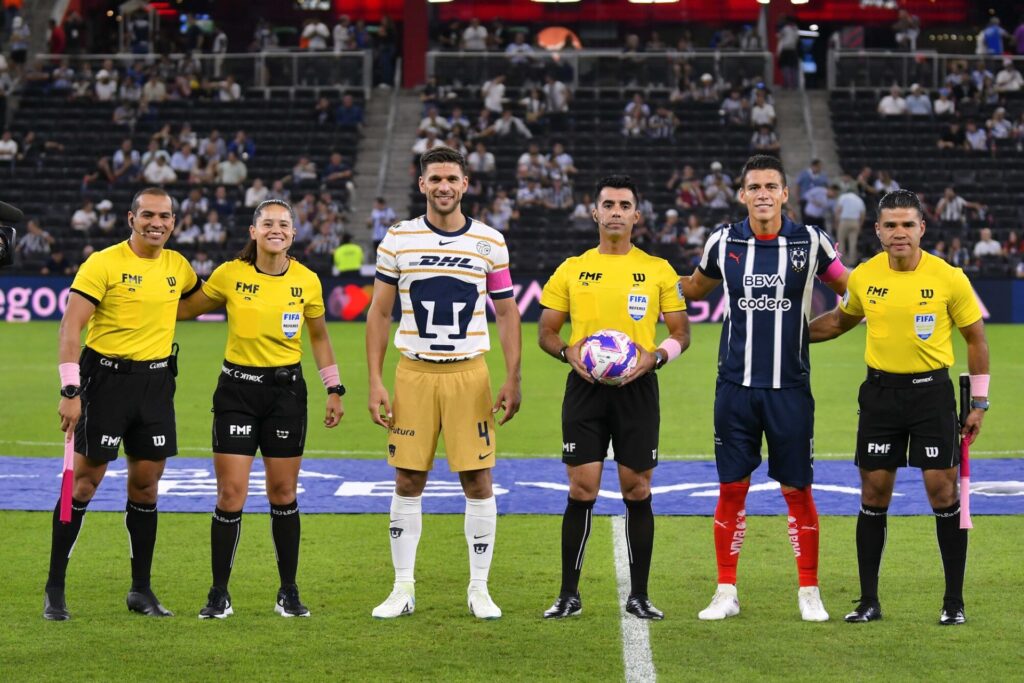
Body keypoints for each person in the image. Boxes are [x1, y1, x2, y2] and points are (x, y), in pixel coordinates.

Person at [679, 155, 848, 623]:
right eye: (754, 187)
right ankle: (725, 590)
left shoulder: (812, 241)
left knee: (798, 489)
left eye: (771, 186)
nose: (763, 195)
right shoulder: (723, 241)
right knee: (732, 487)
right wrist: (645, 284)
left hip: (789, 388)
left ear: (785, 194)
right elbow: (694, 289)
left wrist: (824, 328)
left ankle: (809, 590)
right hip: (735, 387)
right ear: (741, 194)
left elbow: (850, 292)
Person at [809, 189, 989, 626]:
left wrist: (979, 403)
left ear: (922, 228)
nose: (899, 233)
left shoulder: (949, 277)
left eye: (908, 224)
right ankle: (868, 601)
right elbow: (839, 321)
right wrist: (788, 335)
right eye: (890, 225)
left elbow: (976, 339)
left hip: (931, 396)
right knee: (873, 494)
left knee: (942, 494)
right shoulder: (864, 277)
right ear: (878, 231)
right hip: (880, 397)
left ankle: (953, 603)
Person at [366, 146, 522, 620]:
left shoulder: (490, 242)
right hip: (413, 372)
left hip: (468, 373)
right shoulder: (398, 239)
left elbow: (507, 310)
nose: (444, 187)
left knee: (478, 478)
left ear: (465, 184)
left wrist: (513, 377)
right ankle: (402, 588)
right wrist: (374, 380)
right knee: (408, 478)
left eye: (452, 178)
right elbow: (379, 311)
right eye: (435, 179)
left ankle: (479, 589)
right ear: (422, 184)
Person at [176, 199, 346, 619]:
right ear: (253, 231)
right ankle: (219, 594)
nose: (276, 229)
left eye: (284, 224)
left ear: (293, 232)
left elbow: (320, 337)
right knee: (230, 494)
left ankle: (288, 591)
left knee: (283, 494)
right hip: (237, 393)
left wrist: (334, 387)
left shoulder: (306, 280)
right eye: (267, 223)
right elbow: (185, 308)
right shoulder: (230, 274)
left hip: (286, 396)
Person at [537, 175, 690, 620]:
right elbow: (547, 331)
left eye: (625, 204)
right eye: (609, 204)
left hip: (638, 388)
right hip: (585, 387)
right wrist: (568, 353)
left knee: (637, 488)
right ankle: (569, 594)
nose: (617, 211)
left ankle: (639, 595)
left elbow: (681, 333)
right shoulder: (572, 268)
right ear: (595, 212)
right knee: (581, 487)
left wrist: (656, 357)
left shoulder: (658, 269)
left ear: (637, 215)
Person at [45, 188, 201, 621]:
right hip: (104, 381)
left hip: (156, 384)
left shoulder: (178, 265)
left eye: (165, 215)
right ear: (131, 218)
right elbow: (70, 326)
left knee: (147, 485)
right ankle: (55, 589)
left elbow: (194, 302)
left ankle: (141, 591)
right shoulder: (103, 263)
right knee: (82, 485)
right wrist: (71, 390)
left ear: (174, 220)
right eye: (148, 214)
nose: (157, 222)